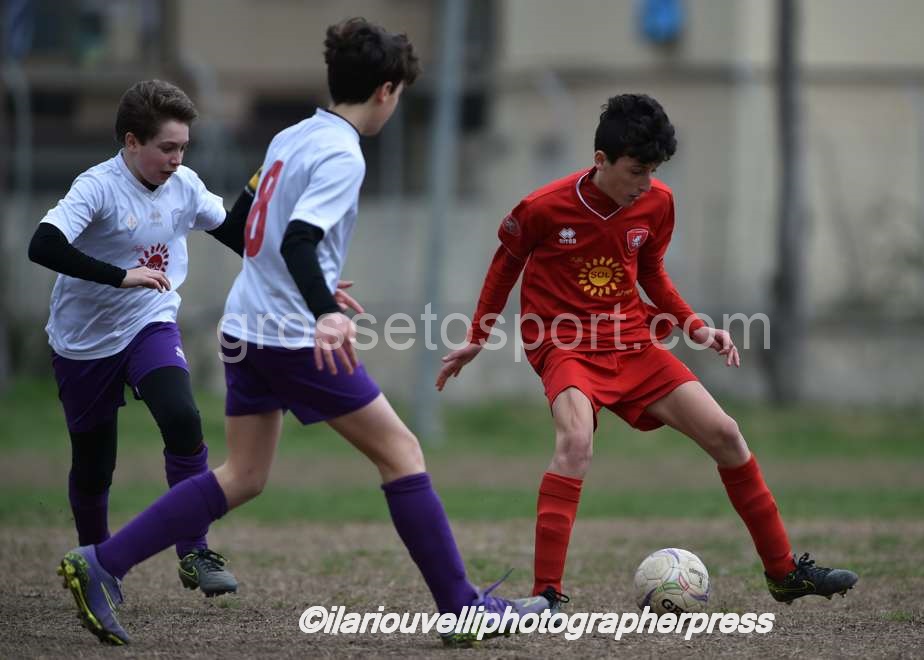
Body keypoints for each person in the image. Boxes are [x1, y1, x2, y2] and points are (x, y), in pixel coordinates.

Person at [56, 18, 549, 647]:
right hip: (291, 338)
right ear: (386, 91)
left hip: (246, 326)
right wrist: (324, 310)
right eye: (398, 94)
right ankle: (461, 607)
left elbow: (247, 222)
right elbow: (297, 239)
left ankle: (102, 563)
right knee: (401, 453)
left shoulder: (293, 135)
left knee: (244, 475)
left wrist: (313, 287)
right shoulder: (343, 153)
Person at [436, 93, 859, 608]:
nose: (645, 184)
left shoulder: (658, 203)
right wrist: (476, 336)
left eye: (653, 171)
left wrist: (694, 325)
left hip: (632, 341)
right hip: (562, 343)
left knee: (727, 435)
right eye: (636, 171)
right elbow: (505, 265)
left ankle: (784, 572)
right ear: (601, 161)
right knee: (575, 442)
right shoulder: (542, 207)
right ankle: (547, 595)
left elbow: (651, 272)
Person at [29, 79, 255, 598]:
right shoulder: (97, 187)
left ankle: (194, 550)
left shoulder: (185, 185)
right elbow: (42, 245)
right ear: (132, 142)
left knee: (182, 418)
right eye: (167, 148)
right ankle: (95, 564)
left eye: (184, 148)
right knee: (94, 465)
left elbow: (237, 235)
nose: (177, 159)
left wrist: (304, 276)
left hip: (149, 322)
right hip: (83, 340)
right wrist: (120, 276)